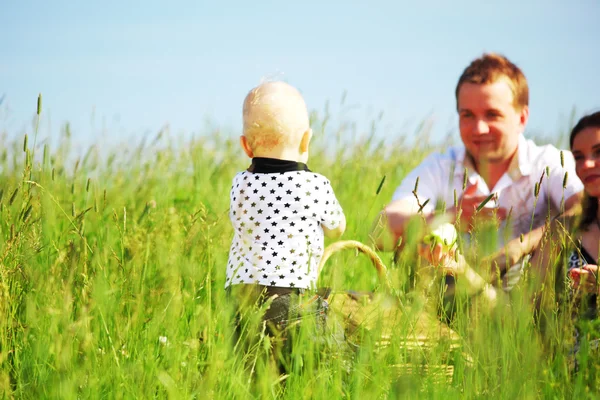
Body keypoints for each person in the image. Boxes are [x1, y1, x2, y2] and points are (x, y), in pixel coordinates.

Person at [372, 53, 583, 291]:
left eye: (492, 115)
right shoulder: (441, 166)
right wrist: (449, 217)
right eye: (467, 115)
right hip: (450, 305)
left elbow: (585, 210)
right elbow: (379, 230)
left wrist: (520, 246)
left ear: (522, 118)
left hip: (532, 307)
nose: (479, 128)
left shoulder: (548, 161)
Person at [225, 81, 346, 371]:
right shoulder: (315, 185)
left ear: (246, 145)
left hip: (242, 298)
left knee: (251, 371)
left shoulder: (240, 184)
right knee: (315, 361)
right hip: (289, 296)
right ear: (306, 141)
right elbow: (337, 227)